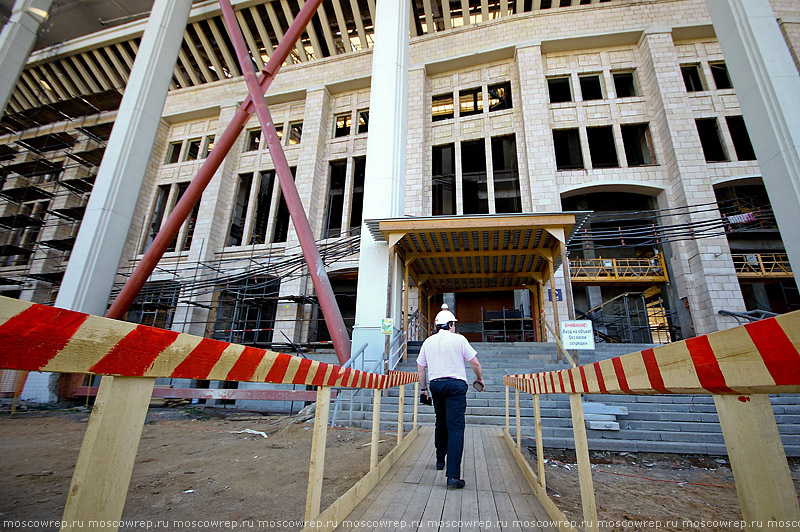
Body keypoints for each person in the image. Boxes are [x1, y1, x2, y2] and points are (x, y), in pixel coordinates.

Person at [417, 304, 484, 489]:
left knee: (440, 421)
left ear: (438, 325)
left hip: (436, 385)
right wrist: (479, 379)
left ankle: (440, 459)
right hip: (456, 386)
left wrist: (424, 389)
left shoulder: (428, 342)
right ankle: (453, 476)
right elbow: (475, 362)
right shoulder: (459, 340)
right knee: (455, 428)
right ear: (451, 325)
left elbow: (421, 366)